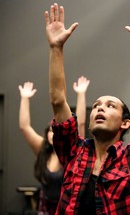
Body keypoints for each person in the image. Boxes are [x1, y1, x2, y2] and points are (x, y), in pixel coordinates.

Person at [45, 3, 130, 214]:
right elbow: (57, 100)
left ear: (125, 122)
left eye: (110, 106)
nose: (100, 109)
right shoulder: (74, 152)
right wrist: (56, 48)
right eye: (97, 105)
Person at [18, 76, 90, 215]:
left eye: (56, 131)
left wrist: (81, 94)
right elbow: (24, 127)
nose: (53, 134)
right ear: (47, 135)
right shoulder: (43, 149)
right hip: (45, 208)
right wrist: (25, 98)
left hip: (68, 207)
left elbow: (80, 123)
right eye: (51, 131)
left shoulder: (72, 150)